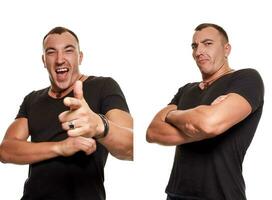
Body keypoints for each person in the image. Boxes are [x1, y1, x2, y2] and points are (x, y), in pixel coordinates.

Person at [0, 26, 133, 200]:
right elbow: (6, 150)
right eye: (51, 52)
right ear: (43, 60)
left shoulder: (104, 86)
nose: (60, 59)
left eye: (68, 51)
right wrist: (61, 147)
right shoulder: (32, 99)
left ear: (80, 57)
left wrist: (99, 126)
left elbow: (130, 146)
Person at [146, 23, 264, 200]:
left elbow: (208, 124)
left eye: (207, 43)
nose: (198, 51)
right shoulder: (186, 90)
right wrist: (198, 121)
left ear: (226, 49)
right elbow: (152, 132)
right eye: (195, 46)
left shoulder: (246, 78)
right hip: (177, 194)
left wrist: (172, 117)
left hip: (222, 194)